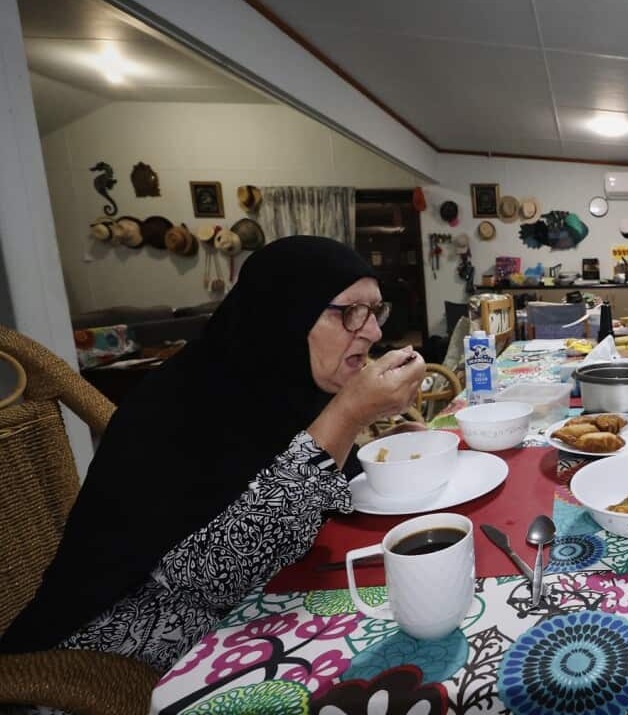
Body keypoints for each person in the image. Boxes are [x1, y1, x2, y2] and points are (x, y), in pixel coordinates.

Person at [0, 236, 427, 674]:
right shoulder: (177, 404)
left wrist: (381, 450)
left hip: (252, 614)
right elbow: (218, 574)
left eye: (375, 311)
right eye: (351, 312)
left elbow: (317, 493)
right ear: (285, 314)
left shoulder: (290, 389)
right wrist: (349, 413)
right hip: (112, 649)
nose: (373, 331)